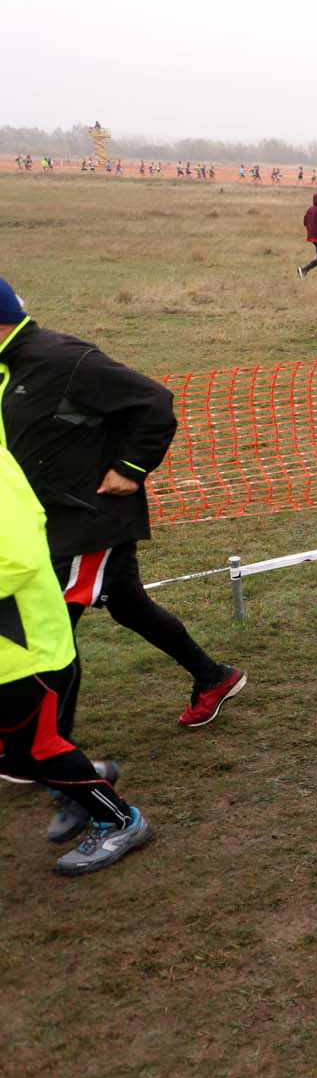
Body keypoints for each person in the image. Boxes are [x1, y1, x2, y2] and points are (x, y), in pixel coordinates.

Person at [0, 279, 246, 752]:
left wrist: (129, 469)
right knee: (128, 604)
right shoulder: (7, 368)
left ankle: (46, 750)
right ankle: (213, 677)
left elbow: (153, 402)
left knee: (50, 627)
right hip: (46, 518)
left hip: (88, 519)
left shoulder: (62, 358)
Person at [0, 435, 153, 876]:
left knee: (35, 750)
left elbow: (19, 558)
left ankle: (120, 820)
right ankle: (83, 773)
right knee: (14, 754)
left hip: (24, 649)